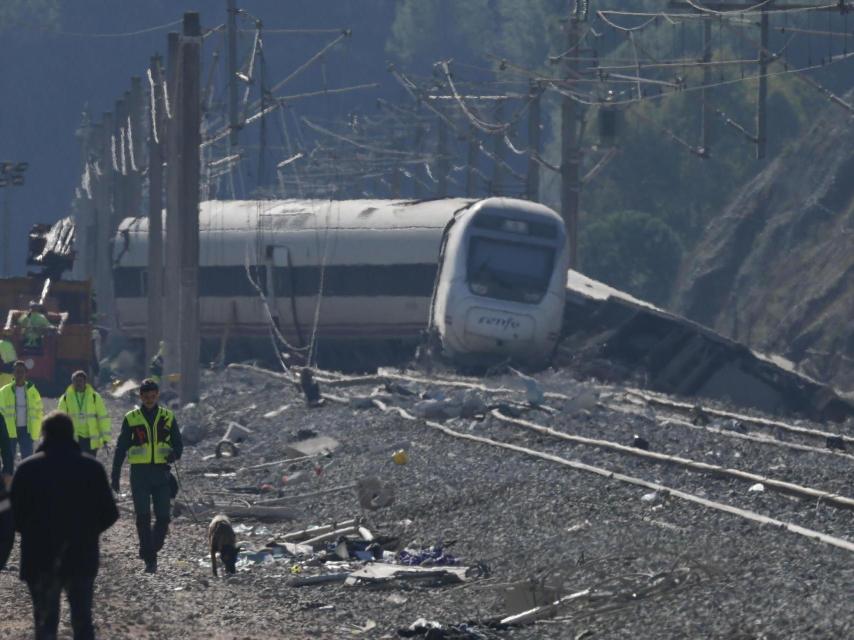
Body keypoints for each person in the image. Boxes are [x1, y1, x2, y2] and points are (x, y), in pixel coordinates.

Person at [11, 411, 118, 640]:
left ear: (44, 435)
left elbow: (13, 516)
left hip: (39, 556)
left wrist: (32, 532)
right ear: (72, 435)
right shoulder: (92, 468)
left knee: (46, 624)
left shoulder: (27, 469)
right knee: (82, 622)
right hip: (81, 555)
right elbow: (110, 513)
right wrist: (87, 532)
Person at [111, 378, 183, 573]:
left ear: (157, 395)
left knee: (163, 518)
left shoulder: (168, 416)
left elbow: (178, 444)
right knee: (142, 517)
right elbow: (121, 446)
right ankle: (151, 560)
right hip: (140, 475)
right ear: (140, 396)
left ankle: (149, 548)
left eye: (153, 396)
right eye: (146, 396)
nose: (150, 399)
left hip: (161, 473)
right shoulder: (131, 418)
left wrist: (173, 454)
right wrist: (115, 473)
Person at [57, 371, 111, 456]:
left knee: (89, 467)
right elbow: (59, 420)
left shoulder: (95, 397)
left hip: (91, 440)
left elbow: (103, 418)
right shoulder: (65, 398)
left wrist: (105, 439)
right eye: (76, 381)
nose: (78, 383)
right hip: (74, 440)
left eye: (80, 381)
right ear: (72, 382)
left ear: (85, 382)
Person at [0, 360, 44, 462]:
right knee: (8, 460)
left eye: (21, 372)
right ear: (13, 373)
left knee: (28, 460)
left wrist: (36, 430)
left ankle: (26, 477)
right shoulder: (4, 391)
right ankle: (9, 477)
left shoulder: (33, 391)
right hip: (9, 430)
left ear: (26, 373)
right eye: (17, 372)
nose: (19, 374)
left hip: (26, 430)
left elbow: (39, 411)